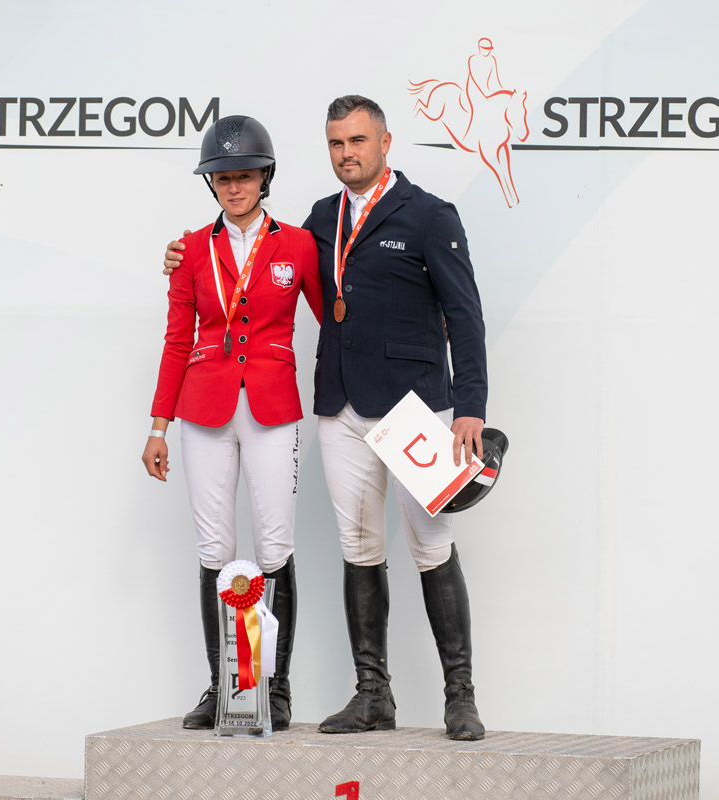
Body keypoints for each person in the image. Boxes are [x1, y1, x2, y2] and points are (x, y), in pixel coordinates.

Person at [165, 96, 489, 740]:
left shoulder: (430, 215)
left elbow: (465, 313)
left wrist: (471, 408)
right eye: (337, 143)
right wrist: (183, 257)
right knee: (359, 548)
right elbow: (261, 256)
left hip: (415, 407)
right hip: (340, 406)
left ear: (386, 142)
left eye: (358, 141)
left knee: (431, 547)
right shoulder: (319, 219)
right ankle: (373, 695)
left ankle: (461, 696)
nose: (347, 153)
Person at [142, 114, 322, 731]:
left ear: (265, 177)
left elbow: (336, 318)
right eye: (223, 178)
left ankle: (276, 690)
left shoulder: (298, 245)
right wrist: (158, 426)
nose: (234, 187)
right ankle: (224, 686)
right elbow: (176, 340)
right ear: (211, 183)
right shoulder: (190, 249)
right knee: (215, 547)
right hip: (204, 409)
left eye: (244, 176)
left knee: (274, 545)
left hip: (271, 406)